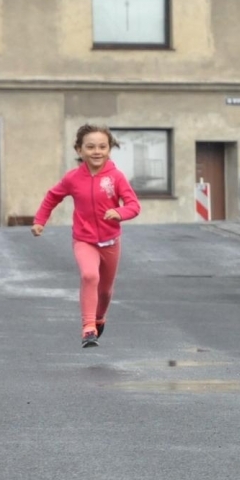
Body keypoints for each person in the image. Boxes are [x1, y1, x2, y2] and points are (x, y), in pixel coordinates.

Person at [32, 124, 141, 348]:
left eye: (102, 146)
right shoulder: (73, 178)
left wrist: (118, 213)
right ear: (79, 150)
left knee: (106, 290)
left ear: (109, 149)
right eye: (90, 147)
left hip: (111, 241)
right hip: (84, 239)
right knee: (89, 276)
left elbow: (134, 206)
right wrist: (40, 221)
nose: (97, 151)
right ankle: (88, 328)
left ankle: (100, 318)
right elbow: (52, 197)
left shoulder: (116, 177)